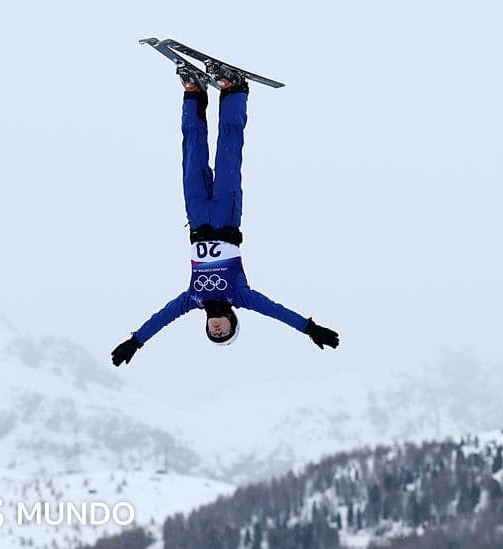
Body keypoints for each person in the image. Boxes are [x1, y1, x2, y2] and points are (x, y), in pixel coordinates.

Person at [111, 66, 339, 367]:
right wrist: (309, 328)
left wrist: (135, 342)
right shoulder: (240, 297)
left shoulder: (192, 299)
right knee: (228, 152)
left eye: (212, 334)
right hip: (225, 218)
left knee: (192, 154)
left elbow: (161, 318)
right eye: (223, 333)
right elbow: (276, 311)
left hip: (196, 219)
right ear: (232, 322)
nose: (216, 330)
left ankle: (193, 94)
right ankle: (234, 90)